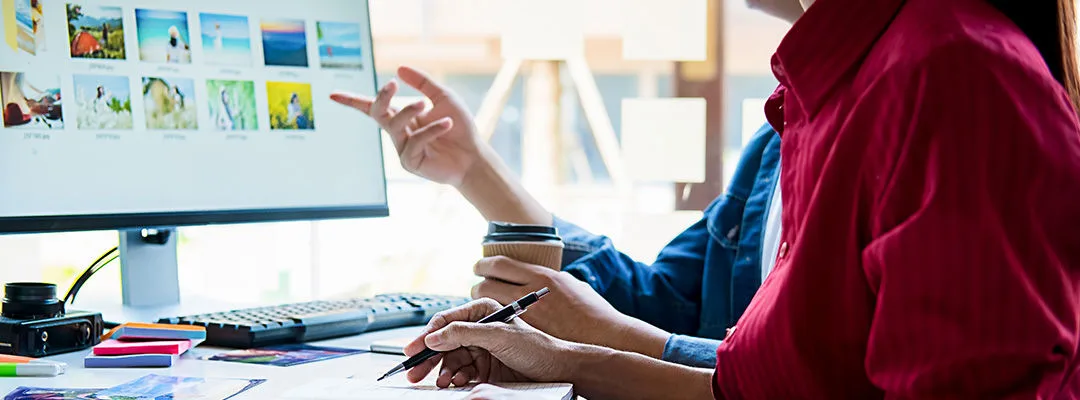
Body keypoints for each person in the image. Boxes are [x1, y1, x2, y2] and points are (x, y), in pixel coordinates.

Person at [346, 0, 1080, 398]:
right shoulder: (795, 120)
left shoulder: (950, 74)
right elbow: (669, 303)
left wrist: (592, 349)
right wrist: (568, 354)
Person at [330, 3, 794, 372]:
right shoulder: (777, 136)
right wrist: (473, 168)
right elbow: (661, 303)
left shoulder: (858, 130)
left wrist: (599, 337)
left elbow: (805, 378)